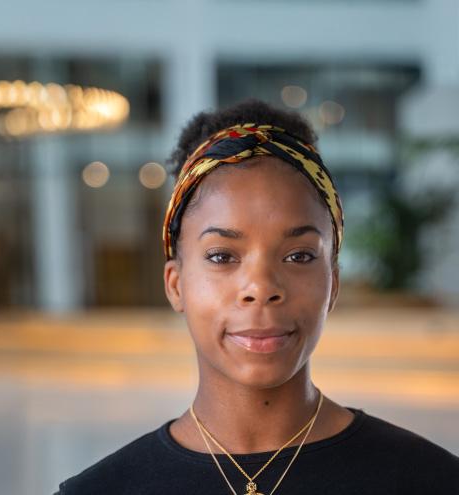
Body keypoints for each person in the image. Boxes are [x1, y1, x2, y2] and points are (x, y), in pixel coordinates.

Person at [55, 99, 459, 494]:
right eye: (222, 256)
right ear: (176, 285)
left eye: (299, 255)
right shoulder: (101, 489)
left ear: (332, 284)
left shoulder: (431, 480)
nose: (261, 287)